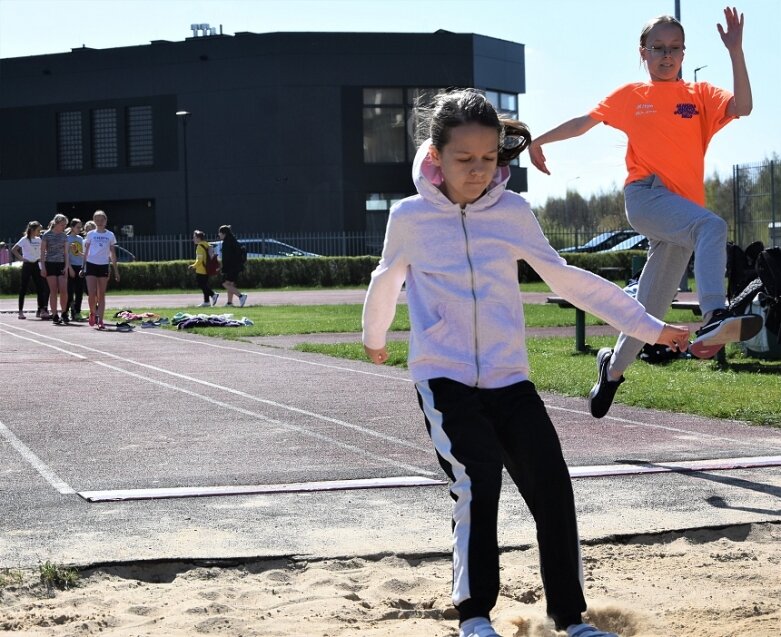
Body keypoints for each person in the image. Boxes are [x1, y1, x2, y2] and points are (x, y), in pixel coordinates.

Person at [362, 89, 689, 637]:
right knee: (477, 476)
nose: (477, 171)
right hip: (443, 377)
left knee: (552, 485)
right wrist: (375, 337)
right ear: (436, 156)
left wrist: (651, 327)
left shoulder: (511, 212)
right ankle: (473, 616)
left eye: (488, 159)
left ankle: (569, 617)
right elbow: (386, 279)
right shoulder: (411, 217)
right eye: (464, 159)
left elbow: (566, 278)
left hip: (509, 377)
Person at [528, 7, 759, 418]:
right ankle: (714, 316)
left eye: (674, 49)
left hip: (680, 215)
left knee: (648, 313)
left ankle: (611, 370)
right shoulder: (633, 97)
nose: (666, 56)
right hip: (646, 196)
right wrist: (537, 140)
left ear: (684, 54)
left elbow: (743, 106)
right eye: (658, 49)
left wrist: (736, 51)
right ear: (643, 53)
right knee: (714, 226)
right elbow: (584, 122)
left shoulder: (700, 97)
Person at [81, 210, 119, 329]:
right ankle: (93, 312)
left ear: (106, 221)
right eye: (97, 220)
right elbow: (86, 252)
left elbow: (112, 253)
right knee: (92, 293)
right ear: (94, 221)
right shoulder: (90, 234)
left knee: (101, 294)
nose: (99, 222)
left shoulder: (110, 235)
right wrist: (83, 267)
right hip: (91, 264)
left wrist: (116, 270)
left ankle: (100, 319)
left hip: (103, 265)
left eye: (102, 220)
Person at [11, 221, 48, 320]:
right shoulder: (24, 239)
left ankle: (41, 310)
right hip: (27, 265)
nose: (40, 232)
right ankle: (20, 311)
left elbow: (42, 250)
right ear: (32, 230)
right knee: (23, 288)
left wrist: (41, 257)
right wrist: (22, 258)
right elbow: (14, 249)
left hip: (36, 264)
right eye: (38, 230)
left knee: (40, 287)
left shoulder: (39, 239)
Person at [39, 213, 71, 325]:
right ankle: (54, 314)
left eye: (65, 225)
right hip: (50, 264)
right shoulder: (47, 235)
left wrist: (67, 266)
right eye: (62, 225)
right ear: (56, 223)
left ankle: (64, 312)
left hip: (61, 263)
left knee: (63, 290)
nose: (64, 227)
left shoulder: (64, 236)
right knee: (53, 290)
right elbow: (42, 252)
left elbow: (66, 253)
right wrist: (43, 267)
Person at [217, 225, 247, 307]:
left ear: (224, 233)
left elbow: (226, 258)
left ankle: (241, 296)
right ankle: (229, 303)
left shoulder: (226, 242)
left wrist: (223, 268)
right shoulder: (233, 240)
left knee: (224, 283)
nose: (219, 235)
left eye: (220, 233)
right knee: (230, 284)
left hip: (231, 267)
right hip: (237, 266)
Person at [189, 230, 219, 307]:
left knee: (201, 285)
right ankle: (206, 302)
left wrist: (193, 266)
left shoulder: (199, 247)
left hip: (201, 269)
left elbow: (199, 260)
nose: (193, 239)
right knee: (204, 285)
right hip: (208, 268)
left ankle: (213, 295)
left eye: (194, 237)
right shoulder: (206, 244)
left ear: (198, 238)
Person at [65, 218, 86, 321]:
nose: (80, 229)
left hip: (80, 267)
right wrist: (69, 268)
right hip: (71, 266)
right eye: (78, 227)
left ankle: (77, 312)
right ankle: (69, 311)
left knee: (79, 291)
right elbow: (66, 255)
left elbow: (81, 254)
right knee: (69, 291)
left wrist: (83, 267)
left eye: (80, 227)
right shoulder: (67, 239)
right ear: (72, 227)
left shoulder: (80, 239)